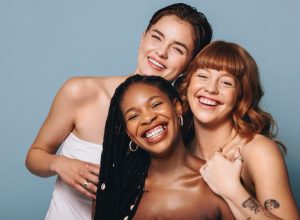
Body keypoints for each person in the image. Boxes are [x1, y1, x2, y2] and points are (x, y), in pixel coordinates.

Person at [25, 3, 212, 220]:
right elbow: (34, 156)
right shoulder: (81, 92)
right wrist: (59, 164)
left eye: (177, 48)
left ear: (191, 64)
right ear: (143, 37)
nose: (161, 52)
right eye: (156, 37)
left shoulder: (179, 126)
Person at [179, 40, 299, 219]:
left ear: (241, 96)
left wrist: (233, 190)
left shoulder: (258, 151)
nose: (210, 89)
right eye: (202, 76)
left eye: (226, 83)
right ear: (188, 84)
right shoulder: (181, 150)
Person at [94, 74, 234, 220]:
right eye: (134, 116)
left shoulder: (216, 183)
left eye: (155, 104)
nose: (148, 118)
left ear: (177, 108)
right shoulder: (116, 186)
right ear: (129, 133)